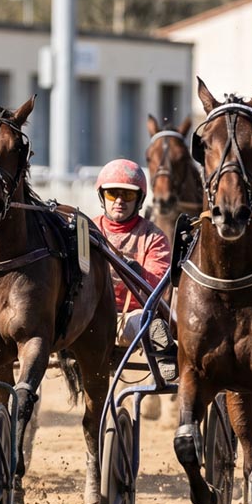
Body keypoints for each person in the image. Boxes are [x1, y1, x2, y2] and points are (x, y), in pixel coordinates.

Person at [91, 159, 177, 383]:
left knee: (146, 322)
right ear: (103, 197)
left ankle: (159, 344)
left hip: (129, 316)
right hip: (88, 314)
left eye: (127, 195)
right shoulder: (88, 230)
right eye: (113, 194)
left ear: (139, 199)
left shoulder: (153, 237)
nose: (119, 201)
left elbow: (157, 287)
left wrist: (137, 271)